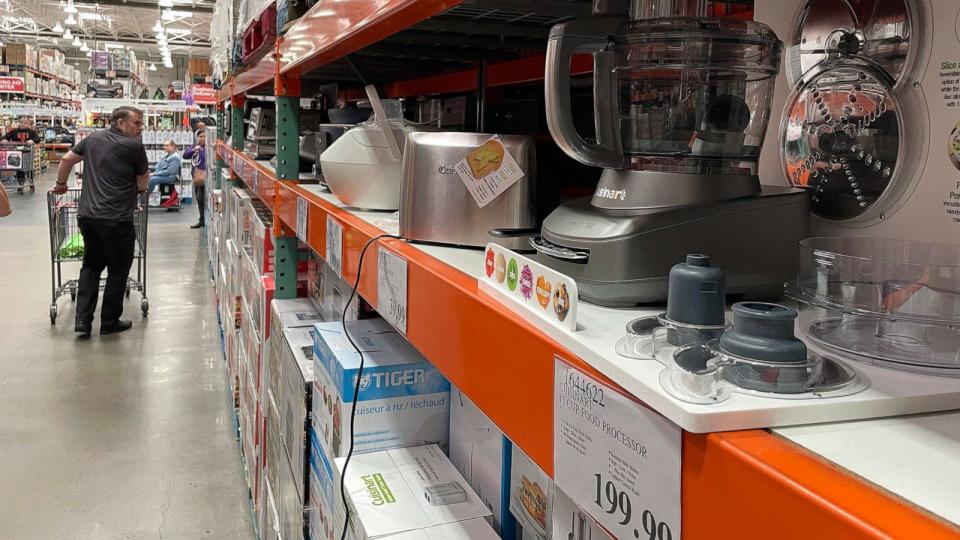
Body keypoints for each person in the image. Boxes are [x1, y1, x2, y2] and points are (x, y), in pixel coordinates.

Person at [54, 106, 149, 337]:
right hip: (117, 219)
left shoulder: (92, 140)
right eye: (137, 123)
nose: (141, 127)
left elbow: (67, 159)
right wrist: (136, 189)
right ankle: (109, 322)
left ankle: (83, 322)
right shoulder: (134, 147)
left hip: (88, 217)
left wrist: (61, 185)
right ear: (120, 122)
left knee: (91, 265)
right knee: (118, 270)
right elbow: (144, 181)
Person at [3, 117, 41, 188]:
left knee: (29, 169)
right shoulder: (14, 131)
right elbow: (5, 137)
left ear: (28, 124)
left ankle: (31, 180)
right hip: (17, 154)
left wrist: (32, 140)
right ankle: (21, 183)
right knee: (19, 169)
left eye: (25, 123)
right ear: (19, 123)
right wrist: (4, 140)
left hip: (28, 153)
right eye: (22, 122)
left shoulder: (31, 132)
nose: (23, 124)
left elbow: (38, 138)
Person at [182, 130, 207, 230]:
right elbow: (185, 155)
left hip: (204, 177)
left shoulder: (208, 148)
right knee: (198, 198)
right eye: (200, 136)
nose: (202, 138)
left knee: (200, 198)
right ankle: (202, 219)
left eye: (204, 136)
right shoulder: (195, 147)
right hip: (196, 178)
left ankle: (203, 220)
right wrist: (194, 150)